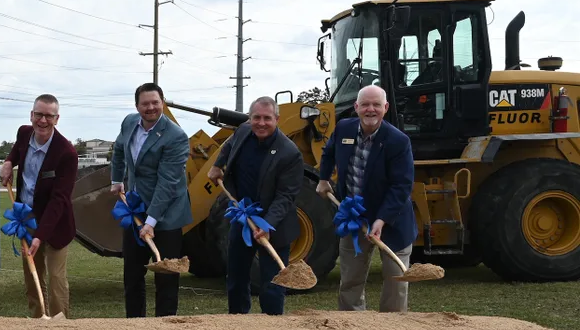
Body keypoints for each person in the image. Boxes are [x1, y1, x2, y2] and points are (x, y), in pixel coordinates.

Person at [317, 84, 417, 312]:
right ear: (356, 107)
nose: (370, 109)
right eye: (365, 105)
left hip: (392, 220)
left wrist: (381, 220)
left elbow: (401, 186)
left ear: (386, 107)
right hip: (354, 218)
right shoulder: (343, 129)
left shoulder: (398, 141)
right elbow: (329, 152)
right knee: (350, 280)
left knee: (396, 282)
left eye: (376, 105)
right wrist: (323, 179)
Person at [208, 96, 303, 315]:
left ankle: (272, 329)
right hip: (242, 219)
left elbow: (286, 196)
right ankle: (238, 324)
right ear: (250, 118)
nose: (261, 123)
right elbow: (228, 145)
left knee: (273, 285)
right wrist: (217, 165)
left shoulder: (290, 153)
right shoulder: (243, 131)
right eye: (256, 118)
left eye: (267, 118)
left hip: (274, 225)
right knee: (236, 279)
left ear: (277, 119)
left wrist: (268, 224)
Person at [110, 83, 192, 317]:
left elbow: (168, 183)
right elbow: (118, 150)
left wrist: (151, 221)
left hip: (167, 215)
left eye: (155, 102)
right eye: (145, 103)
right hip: (135, 208)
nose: (151, 108)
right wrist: (117, 179)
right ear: (137, 106)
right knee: (132, 274)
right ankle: (135, 325)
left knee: (166, 277)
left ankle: (165, 329)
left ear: (163, 103)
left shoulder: (175, 137)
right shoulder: (129, 122)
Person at [0, 94, 78, 318]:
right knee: (32, 274)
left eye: (49, 116)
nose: (43, 121)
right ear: (31, 115)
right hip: (27, 217)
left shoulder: (67, 154)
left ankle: (59, 323)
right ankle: (36, 319)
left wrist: (39, 236)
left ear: (57, 118)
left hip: (56, 222)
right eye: (39, 115)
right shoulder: (24, 133)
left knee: (55, 277)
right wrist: (8, 162)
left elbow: (59, 200)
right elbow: (16, 150)